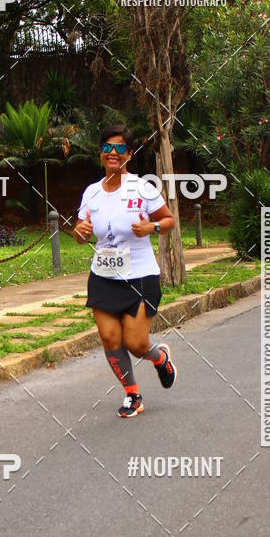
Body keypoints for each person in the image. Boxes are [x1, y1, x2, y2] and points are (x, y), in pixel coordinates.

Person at [72, 125, 176, 418]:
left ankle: (160, 357)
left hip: (140, 277)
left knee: (136, 343)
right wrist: (79, 232)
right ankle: (132, 394)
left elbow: (169, 220)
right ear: (101, 153)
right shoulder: (91, 192)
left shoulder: (142, 188)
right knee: (109, 339)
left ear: (129, 155)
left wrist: (150, 228)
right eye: (107, 148)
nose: (113, 153)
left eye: (120, 149)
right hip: (103, 277)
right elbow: (81, 234)